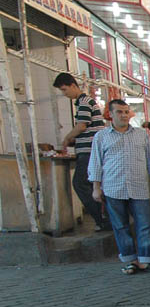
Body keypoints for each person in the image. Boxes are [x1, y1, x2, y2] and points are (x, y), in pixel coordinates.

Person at [88, 99, 150, 274]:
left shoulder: (141, 135)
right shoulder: (101, 137)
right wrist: (96, 187)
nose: (124, 115)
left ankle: (147, 261)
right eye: (119, 112)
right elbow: (95, 164)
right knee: (120, 226)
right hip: (113, 188)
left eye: (126, 112)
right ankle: (131, 260)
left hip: (138, 187)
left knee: (145, 225)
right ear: (110, 114)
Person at [53, 73, 110, 231]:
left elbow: (82, 126)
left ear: (73, 85)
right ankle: (106, 219)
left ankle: (102, 220)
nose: (65, 94)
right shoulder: (83, 103)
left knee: (80, 184)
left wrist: (67, 138)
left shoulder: (84, 101)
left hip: (90, 152)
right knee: (94, 186)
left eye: (65, 90)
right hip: (91, 151)